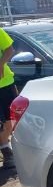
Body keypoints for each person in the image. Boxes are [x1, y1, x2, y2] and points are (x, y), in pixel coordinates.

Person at [0, 27, 17, 169]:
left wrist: (1, 63)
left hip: (5, 83)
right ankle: (6, 151)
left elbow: (9, 49)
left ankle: (8, 147)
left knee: (12, 119)